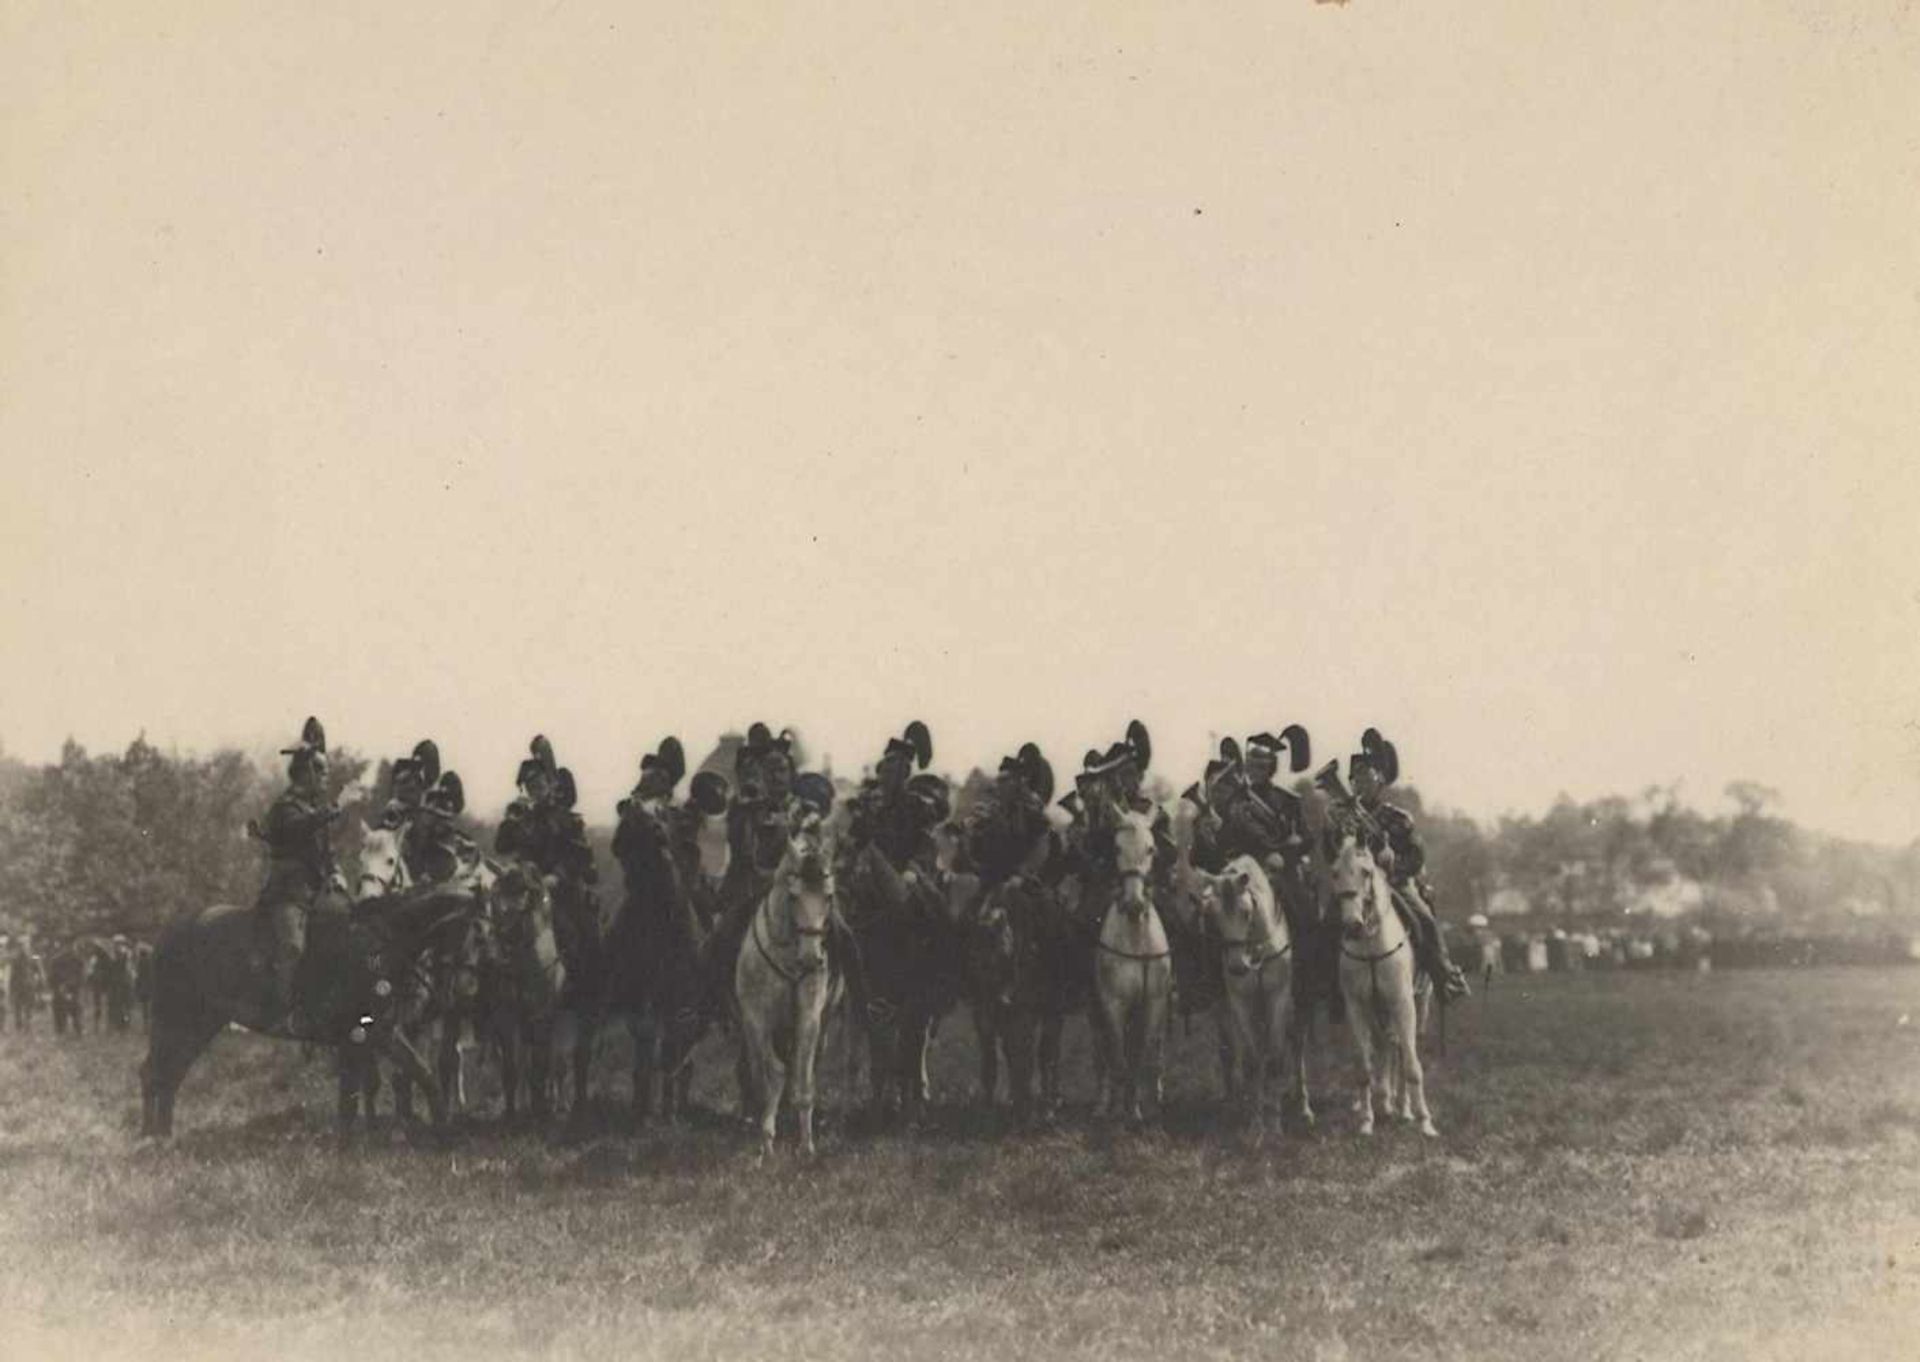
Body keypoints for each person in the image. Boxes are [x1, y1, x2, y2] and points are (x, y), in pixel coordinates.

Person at [1337, 730, 1471, 1002]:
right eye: (1355, 778)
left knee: (1425, 921)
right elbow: (1334, 855)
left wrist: (1393, 863)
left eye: (1366, 777)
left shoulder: (1398, 818)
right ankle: (1332, 988)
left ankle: (1444, 976)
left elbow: (1416, 856)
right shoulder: (1343, 818)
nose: (1359, 784)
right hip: (1357, 887)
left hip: (1395, 883)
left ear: (1380, 781)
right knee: (1328, 921)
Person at [249, 716, 341, 1034]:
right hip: (288, 894)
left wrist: (336, 872)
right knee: (292, 947)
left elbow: (325, 853)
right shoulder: (286, 807)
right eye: (323, 771)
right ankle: (280, 1015)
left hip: (317, 893)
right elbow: (297, 829)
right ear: (308, 772)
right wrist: (330, 811)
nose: (326, 778)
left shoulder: (313, 809)